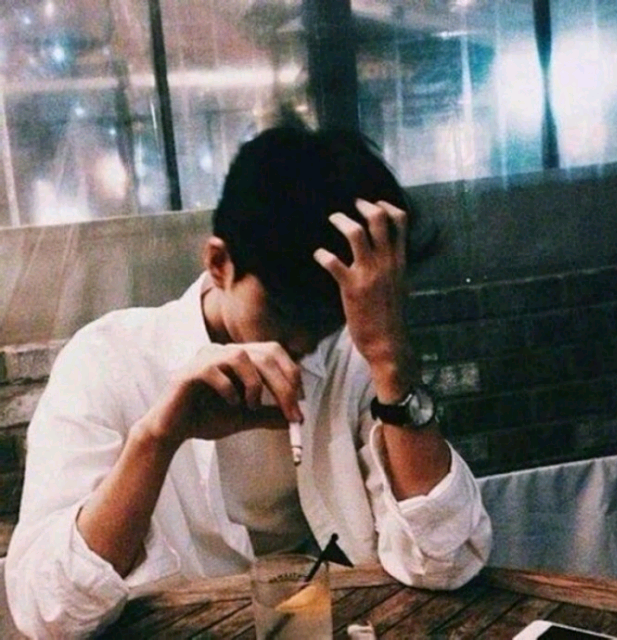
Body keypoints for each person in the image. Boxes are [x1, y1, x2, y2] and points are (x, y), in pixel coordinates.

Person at [6, 124, 491, 638]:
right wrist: (157, 438)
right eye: (283, 310)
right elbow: (47, 612)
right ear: (219, 263)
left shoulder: (354, 355)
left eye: (325, 317)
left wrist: (392, 359)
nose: (303, 341)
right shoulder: (108, 361)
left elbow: (448, 561)